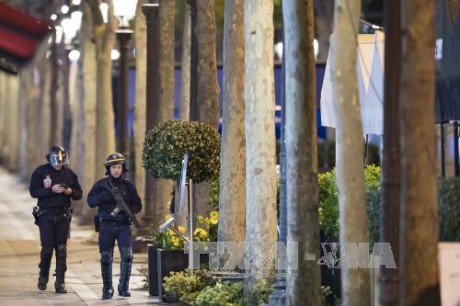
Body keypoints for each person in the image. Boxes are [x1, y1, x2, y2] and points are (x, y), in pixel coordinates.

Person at [87, 153, 142, 300]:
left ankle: (123, 287)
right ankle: (107, 288)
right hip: (106, 225)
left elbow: (138, 204)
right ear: (108, 169)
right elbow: (90, 201)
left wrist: (128, 210)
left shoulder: (129, 186)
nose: (116, 170)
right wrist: (101, 197)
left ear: (123, 168)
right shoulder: (101, 185)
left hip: (123, 225)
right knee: (106, 257)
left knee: (128, 255)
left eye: (118, 167)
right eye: (113, 167)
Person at [29, 145, 82, 293]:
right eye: (56, 161)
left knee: (61, 248)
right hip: (46, 214)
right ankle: (43, 276)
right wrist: (50, 190)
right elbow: (33, 191)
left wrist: (70, 191)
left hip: (63, 215)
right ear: (49, 159)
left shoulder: (69, 174)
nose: (59, 164)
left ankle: (60, 282)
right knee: (47, 248)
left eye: (61, 161)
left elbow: (78, 194)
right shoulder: (40, 172)